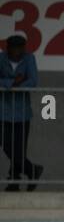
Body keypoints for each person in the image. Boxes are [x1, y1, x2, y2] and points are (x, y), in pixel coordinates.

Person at [1, 33, 42, 191]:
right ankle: (32, 170)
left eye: (20, 49)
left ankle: (14, 183)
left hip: (22, 112)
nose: (17, 52)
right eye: (14, 49)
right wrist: (13, 82)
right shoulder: (1, 58)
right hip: (2, 112)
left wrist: (10, 86)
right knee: (7, 146)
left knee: (18, 150)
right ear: (7, 48)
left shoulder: (29, 58)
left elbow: (33, 81)